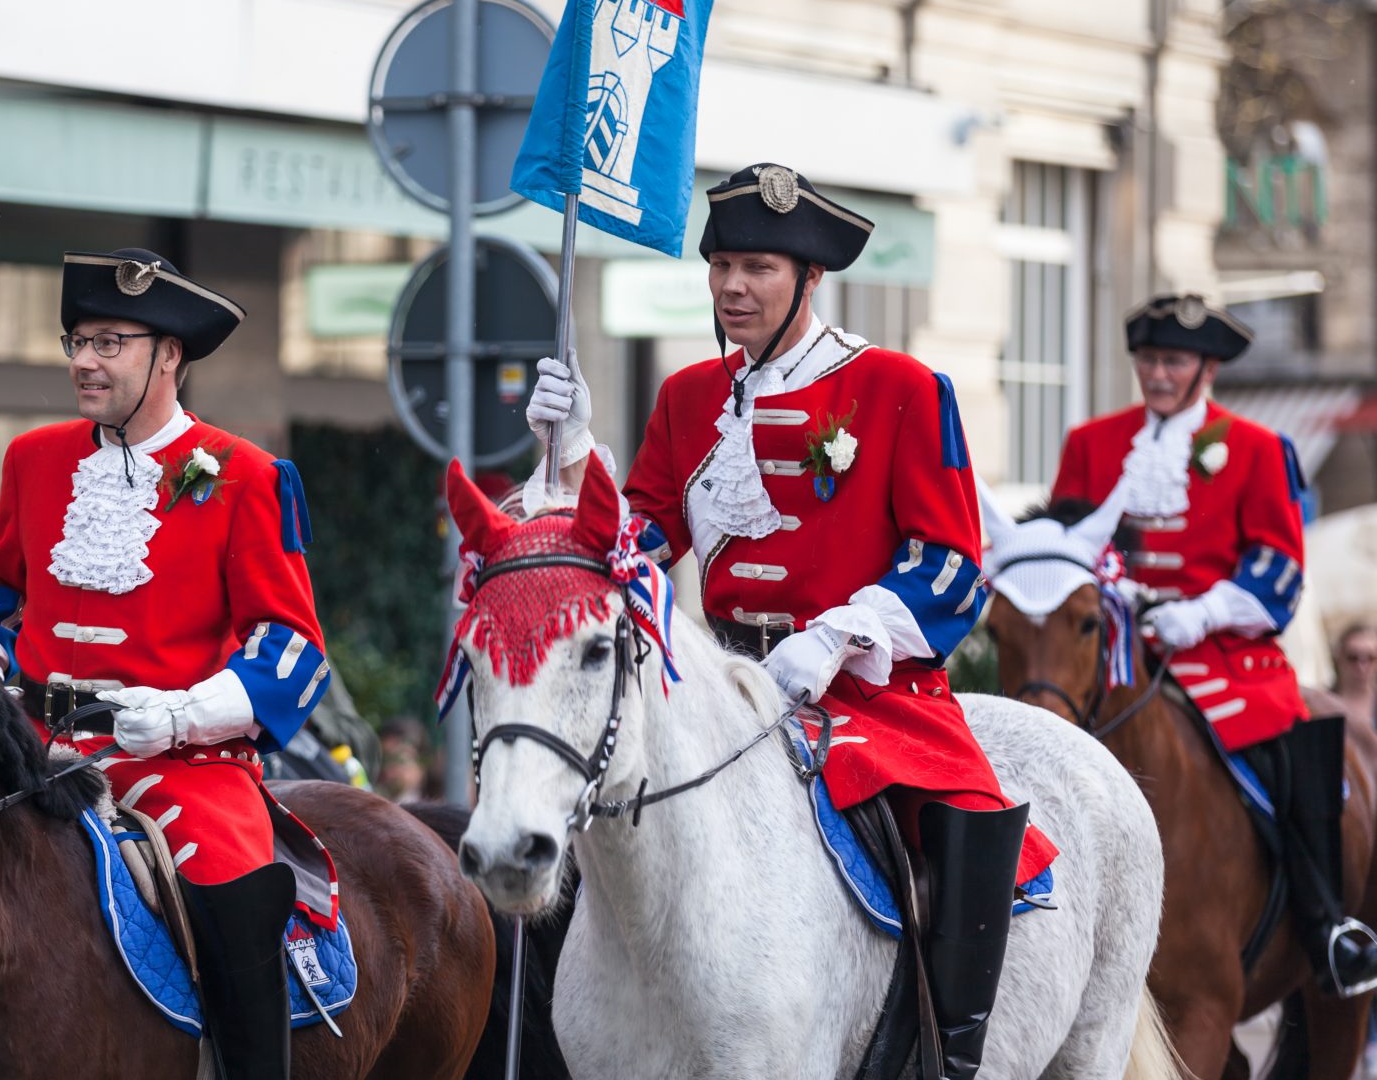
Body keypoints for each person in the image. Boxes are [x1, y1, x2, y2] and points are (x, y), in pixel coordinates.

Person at [525, 164, 1052, 1079]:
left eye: (757, 268)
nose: (733, 287)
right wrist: (573, 459)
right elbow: (635, 546)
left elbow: (951, 569)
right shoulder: (689, 397)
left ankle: (954, 1050)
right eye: (721, 266)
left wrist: (838, 637)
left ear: (810, 278)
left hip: (865, 690)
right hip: (720, 684)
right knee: (577, 808)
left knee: (961, 810)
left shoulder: (899, 386)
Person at [0, 247, 330, 1080]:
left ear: (169, 355)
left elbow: (291, 651)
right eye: (77, 341)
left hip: (182, 763)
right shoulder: (32, 459)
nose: (84, 362)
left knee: (233, 889)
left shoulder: (245, 476)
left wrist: (181, 715)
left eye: (108, 343)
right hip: (31, 749)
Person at [1051, 292, 1377, 994]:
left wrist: (1201, 613)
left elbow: (1279, 569)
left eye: (1173, 361)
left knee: (1289, 739)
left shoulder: (1258, 448)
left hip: (1222, 654)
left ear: (1208, 370)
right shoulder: (1091, 444)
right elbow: (1064, 547)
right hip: (1108, 648)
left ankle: (1326, 923)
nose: (1157, 375)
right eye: (1148, 360)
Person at [1333, 622, 1377, 730]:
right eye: (1353, 658)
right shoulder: (1321, 704)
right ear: (1340, 658)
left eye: (1370, 658)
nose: (1362, 667)